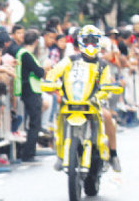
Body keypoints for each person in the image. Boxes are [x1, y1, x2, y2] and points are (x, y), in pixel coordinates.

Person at [47, 25, 121, 172]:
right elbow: (55, 71)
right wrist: (50, 82)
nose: (90, 44)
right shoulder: (70, 60)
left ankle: (113, 154)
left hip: (93, 102)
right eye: (87, 41)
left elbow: (106, 83)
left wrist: (101, 94)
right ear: (80, 42)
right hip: (72, 100)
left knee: (107, 117)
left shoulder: (102, 65)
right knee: (59, 118)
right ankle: (61, 154)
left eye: (93, 41)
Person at [14, 29, 49, 162]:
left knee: (32, 123)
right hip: (31, 91)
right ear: (36, 41)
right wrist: (44, 68)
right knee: (35, 123)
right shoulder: (26, 54)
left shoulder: (22, 53)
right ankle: (29, 153)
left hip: (28, 90)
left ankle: (29, 151)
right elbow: (39, 72)